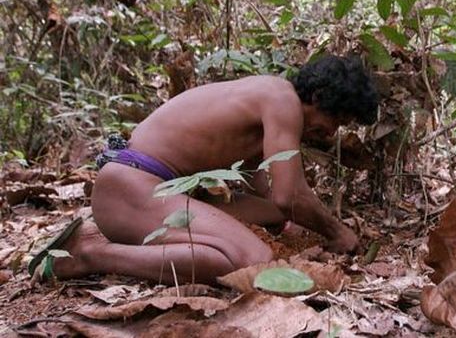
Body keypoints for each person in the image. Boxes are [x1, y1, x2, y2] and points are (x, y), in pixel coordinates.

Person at [30, 55, 379, 285]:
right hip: (131, 187)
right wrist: (338, 232)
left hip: (138, 188)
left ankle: (101, 236)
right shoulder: (282, 101)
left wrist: (287, 226)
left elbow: (271, 196)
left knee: (268, 214)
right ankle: (91, 254)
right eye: (336, 119)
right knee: (252, 260)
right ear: (317, 97)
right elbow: (291, 195)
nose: (332, 133)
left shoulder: (268, 100)